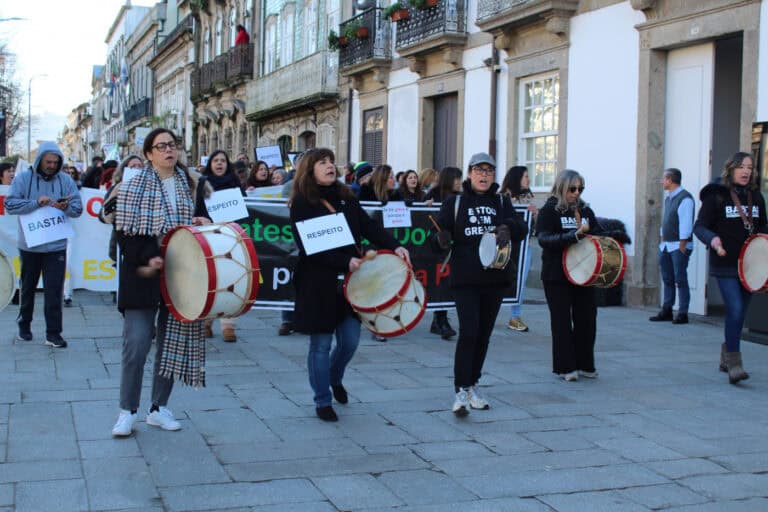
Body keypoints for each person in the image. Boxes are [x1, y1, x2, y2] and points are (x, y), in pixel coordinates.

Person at [289, 147, 411, 421]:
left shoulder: (347, 197)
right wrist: (346, 262)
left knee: (350, 342)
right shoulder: (302, 202)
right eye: (322, 162)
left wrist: (395, 245)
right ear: (310, 170)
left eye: (331, 161)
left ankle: (334, 376)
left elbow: (368, 227)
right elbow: (309, 247)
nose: (329, 166)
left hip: (350, 283)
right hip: (318, 283)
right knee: (320, 345)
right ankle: (322, 400)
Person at [110, 128, 212, 437]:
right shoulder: (130, 187)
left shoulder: (192, 184)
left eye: (172, 145)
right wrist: (150, 257)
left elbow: (203, 220)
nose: (169, 150)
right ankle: (127, 411)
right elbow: (124, 235)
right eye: (161, 146)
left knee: (171, 346)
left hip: (181, 274)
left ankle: (158, 408)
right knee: (137, 344)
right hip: (143, 276)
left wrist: (203, 222)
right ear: (149, 154)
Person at [434, 153, 527, 416]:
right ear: (469, 173)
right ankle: (461, 390)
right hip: (465, 278)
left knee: (484, 334)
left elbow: (522, 229)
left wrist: (508, 227)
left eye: (488, 171)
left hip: (495, 278)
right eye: (479, 170)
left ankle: (473, 383)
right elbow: (437, 235)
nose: (484, 175)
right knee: (469, 332)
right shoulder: (455, 202)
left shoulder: (501, 201)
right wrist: (440, 238)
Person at [536, 169, 630, 382]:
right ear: (562, 187)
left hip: (584, 273)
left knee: (587, 319)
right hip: (556, 273)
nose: (576, 193)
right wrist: (572, 236)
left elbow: (597, 232)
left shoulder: (585, 210)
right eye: (572, 189)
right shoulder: (550, 210)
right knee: (561, 322)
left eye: (580, 189)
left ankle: (585, 364)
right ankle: (565, 367)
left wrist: (615, 236)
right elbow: (543, 238)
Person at [693, 152, 767, 384]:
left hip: (750, 266)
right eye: (741, 167)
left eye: (750, 167)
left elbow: (763, 227)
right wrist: (713, 240)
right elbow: (699, 227)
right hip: (725, 263)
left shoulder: (756, 196)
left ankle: (726, 355)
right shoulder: (716, 195)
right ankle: (735, 363)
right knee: (734, 309)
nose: (746, 171)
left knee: (740, 313)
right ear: (731, 168)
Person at [5, 141, 83, 348]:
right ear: (39, 160)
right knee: (28, 287)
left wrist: (65, 207)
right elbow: (10, 205)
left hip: (56, 246)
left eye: (55, 162)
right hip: (29, 245)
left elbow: (77, 209)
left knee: (54, 290)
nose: (51, 165)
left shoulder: (66, 180)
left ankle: (54, 333)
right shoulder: (23, 179)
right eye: (48, 162)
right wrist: (35, 203)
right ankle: (24, 325)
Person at [201, 150, 244, 343]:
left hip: (231, 238)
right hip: (209, 238)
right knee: (210, 280)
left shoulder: (235, 184)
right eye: (216, 160)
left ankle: (228, 326)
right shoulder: (201, 184)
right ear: (210, 164)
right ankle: (206, 321)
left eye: (223, 161)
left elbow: (246, 209)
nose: (219, 163)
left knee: (231, 280)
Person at [650, 168, 694, 324]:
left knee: (680, 279)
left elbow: (686, 223)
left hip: (678, 246)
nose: (662, 182)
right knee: (667, 278)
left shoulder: (685, 198)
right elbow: (666, 220)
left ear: (670, 180)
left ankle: (683, 313)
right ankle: (667, 309)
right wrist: (662, 239)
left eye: (663, 179)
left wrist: (683, 244)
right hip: (667, 245)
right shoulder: (669, 198)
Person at [424, 166, 462, 340]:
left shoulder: (461, 198)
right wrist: (425, 206)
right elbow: (421, 216)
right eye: (457, 179)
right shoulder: (433, 194)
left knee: (446, 282)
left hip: (453, 248)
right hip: (435, 247)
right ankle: (440, 320)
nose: (460, 182)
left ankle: (441, 319)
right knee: (438, 282)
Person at [500, 166, 537, 332]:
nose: (528, 180)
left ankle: (515, 316)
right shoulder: (503, 198)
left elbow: (534, 227)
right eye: (525, 176)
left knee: (520, 282)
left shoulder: (528, 197)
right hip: (506, 246)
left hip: (524, 247)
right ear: (517, 178)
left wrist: (535, 214)